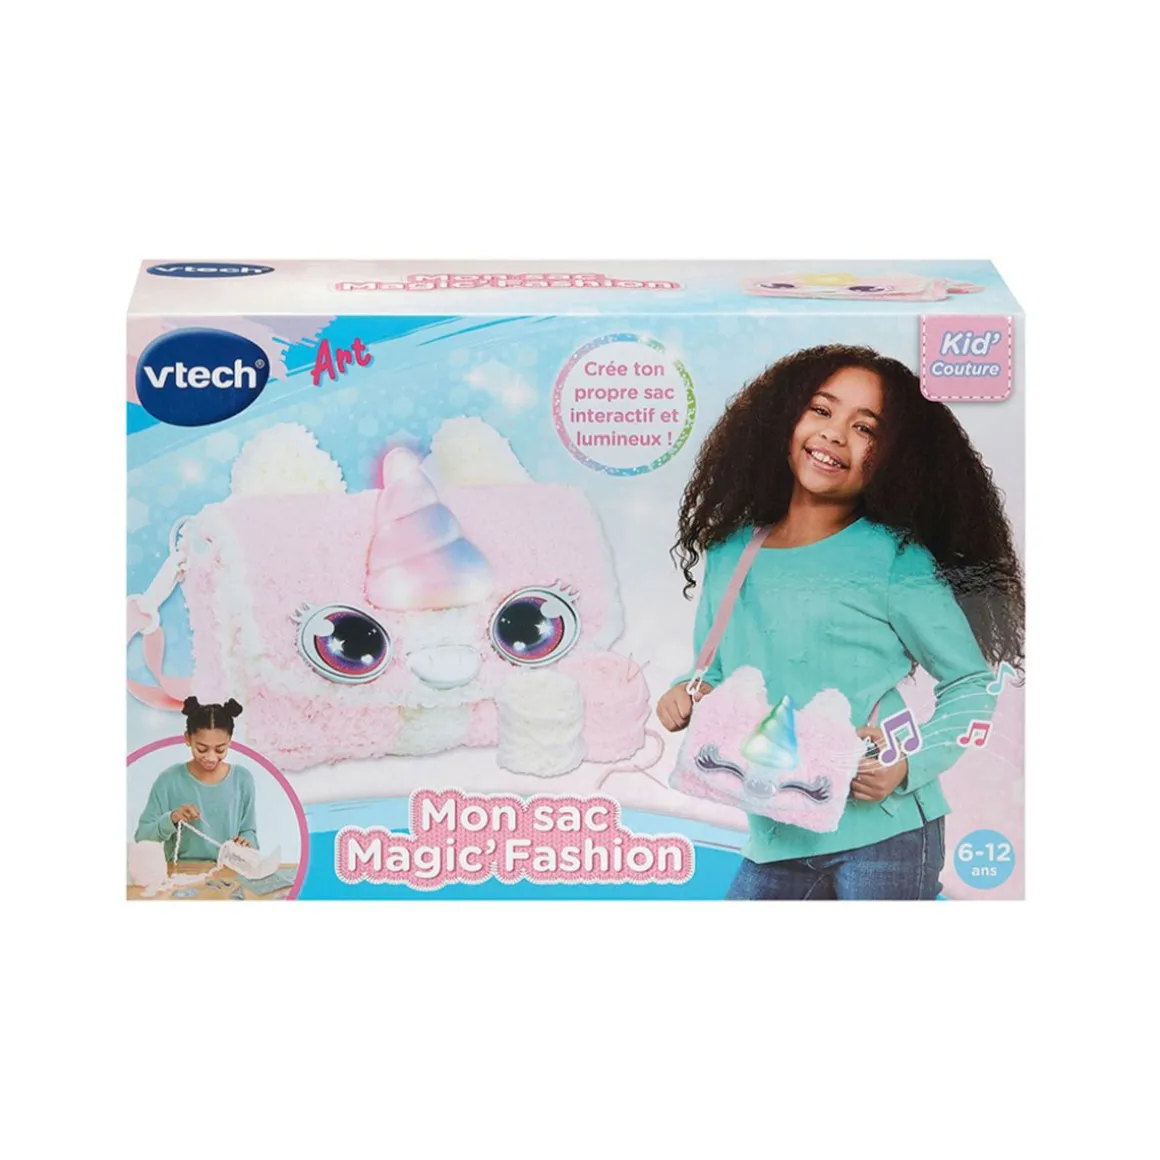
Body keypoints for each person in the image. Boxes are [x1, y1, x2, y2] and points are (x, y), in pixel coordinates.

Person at [656, 344, 1024, 900]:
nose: (834, 433)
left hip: (886, 831)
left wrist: (908, 765)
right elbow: (722, 671)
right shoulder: (731, 552)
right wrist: (685, 690)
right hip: (776, 828)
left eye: (865, 427)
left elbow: (971, 681)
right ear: (783, 419)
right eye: (821, 410)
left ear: (895, 456)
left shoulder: (893, 558)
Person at [134, 698, 258, 862]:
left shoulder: (242, 779)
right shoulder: (169, 780)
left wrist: (246, 842)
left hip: (229, 870)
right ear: (188, 738)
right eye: (201, 749)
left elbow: (249, 832)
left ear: (229, 741)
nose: (211, 757)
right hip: (181, 872)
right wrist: (172, 819)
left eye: (220, 750)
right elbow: (142, 836)